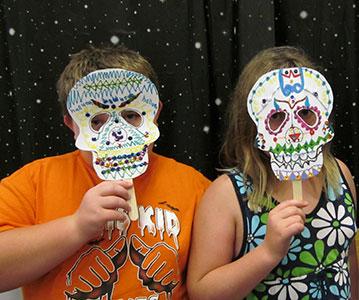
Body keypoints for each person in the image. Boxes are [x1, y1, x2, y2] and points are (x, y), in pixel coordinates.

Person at [0, 45, 210, 300]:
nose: (117, 134)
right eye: (97, 121)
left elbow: (212, 280)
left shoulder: (193, 186)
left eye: (131, 115)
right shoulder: (34, 182)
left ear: (154, 114)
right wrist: (76, 228)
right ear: (71, 124)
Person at [187, 46, 358, 299]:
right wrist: (268, 252)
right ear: (253, 124)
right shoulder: (227, 195)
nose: (294, 131)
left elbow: (348, 260)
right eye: (277, 116)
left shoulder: (338, 174)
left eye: (305, 113)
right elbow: (202, 293)